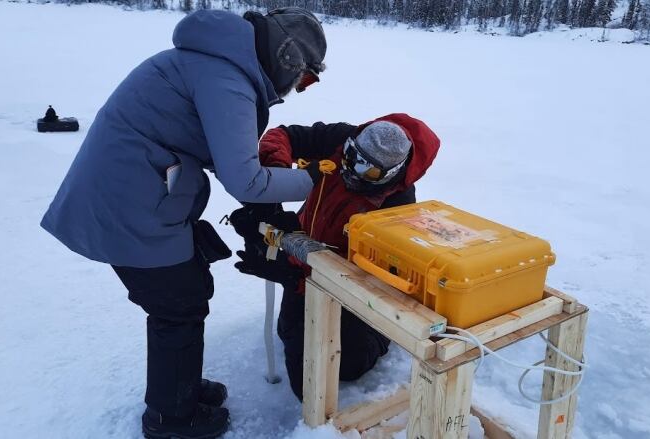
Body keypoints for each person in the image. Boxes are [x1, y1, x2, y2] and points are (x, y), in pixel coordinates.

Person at [40, 7, 326, 439]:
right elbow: (245, 180)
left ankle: (180, 389)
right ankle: (171, 418)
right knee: (177, 305)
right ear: (287, 57)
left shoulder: (216, 64)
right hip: (128, 205)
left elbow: (219, 150)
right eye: (304, 77)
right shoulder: (225, 78)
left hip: (136, 195)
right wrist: (316, 182)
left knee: (184, 294)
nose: (298, 90)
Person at [231, 113, 440, 399]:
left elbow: (358, 274)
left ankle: (378, 332)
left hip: (346, 287)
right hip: (305, 260)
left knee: (347, 364)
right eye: (352, 155)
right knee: (289, 335)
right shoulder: (341, 138)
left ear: (392, 173)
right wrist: (277, 183)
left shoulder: (397, 208)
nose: (353, 168)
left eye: (370, 170)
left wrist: (292, 273)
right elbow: (282, 135)